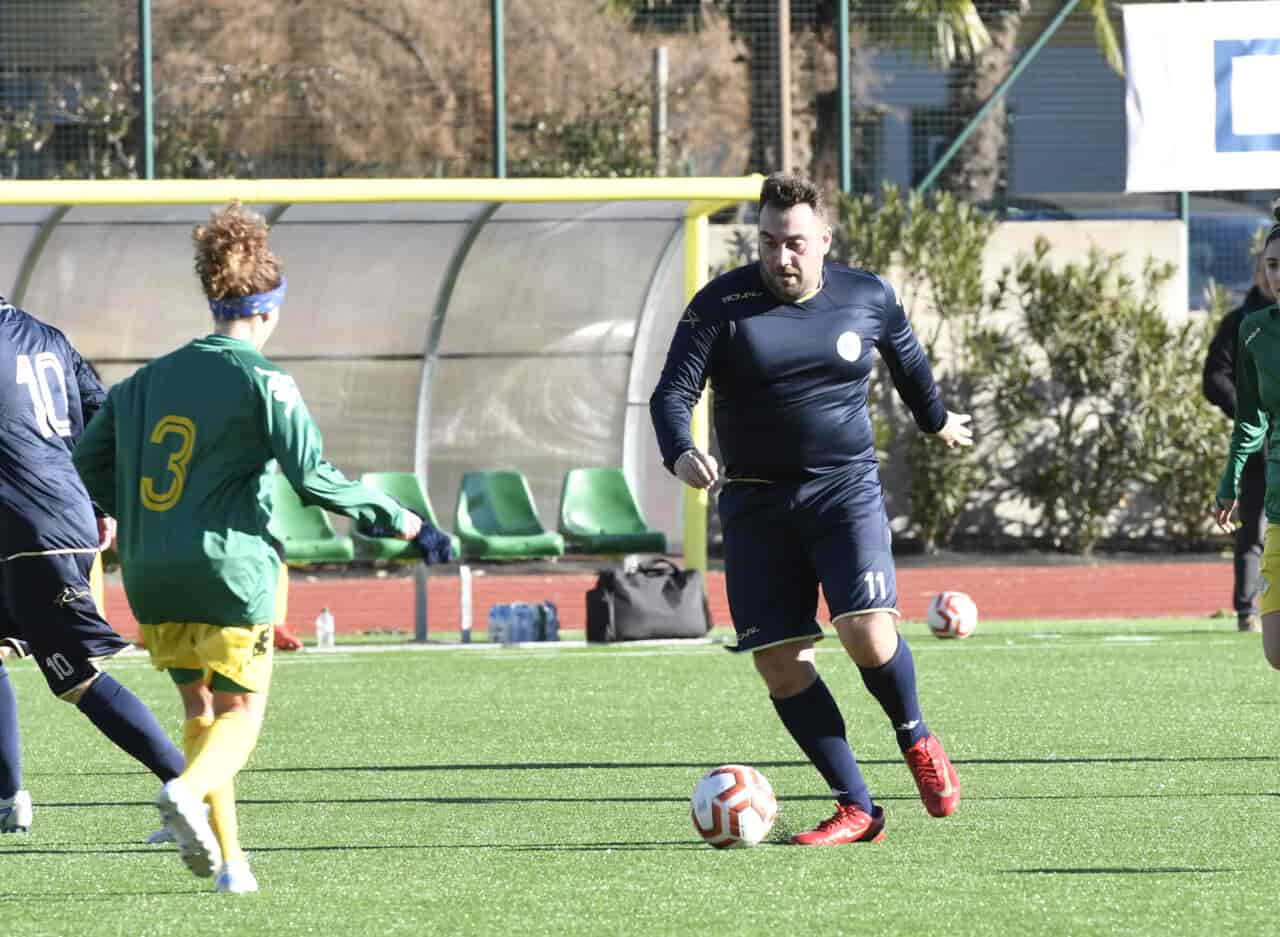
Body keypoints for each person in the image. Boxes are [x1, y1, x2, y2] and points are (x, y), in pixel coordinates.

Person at [73, 202, 421, 893]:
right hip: (229, 574)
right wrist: (399, 519)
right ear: (270, 309)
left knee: (199, 710)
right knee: (238, 716)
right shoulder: (265, 381)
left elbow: (85, 464)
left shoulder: (144, 381)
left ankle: (233, 864)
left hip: (149, 575)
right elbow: (314, 478)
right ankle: (186, 789)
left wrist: (134, 513)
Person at [650, 172, 973, 845]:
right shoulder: (720, 305)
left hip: (843, 490)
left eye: (794, 242)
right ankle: (857, 806)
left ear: (824, 240)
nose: (779, 256)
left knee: (866, 633)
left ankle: (914, 736)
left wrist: (937, 421)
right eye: (767, 242)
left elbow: (908, 362)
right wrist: (681, 452)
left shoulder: (867, 296)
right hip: (755, 503)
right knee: (780, 662)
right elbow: (671, 394)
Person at [0, 296, 187, 835]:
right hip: (47, 523)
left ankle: (193, 790)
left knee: (75, 678)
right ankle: (6, 798)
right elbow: (99, 419)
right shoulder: (48, 337)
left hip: (34, 532)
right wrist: (101, 505)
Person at [1214, 202, 1280, 667]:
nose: (1278, 276)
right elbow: (1251, 419)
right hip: (1279, 501)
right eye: (1272, 265)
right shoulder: (1254, 331)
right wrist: (1229, 481)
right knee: (1276, 653)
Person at [1203, 255, 1275, 633]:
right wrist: (1251, 414)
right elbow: (1214, 377)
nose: (1274, 274)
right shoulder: (1241, 325)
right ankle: (1247, 610)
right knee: (1253, 530)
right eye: (1270, 265)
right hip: (1260, 450)